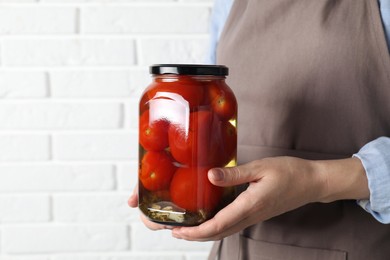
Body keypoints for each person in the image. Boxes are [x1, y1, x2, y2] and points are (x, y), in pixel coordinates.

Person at [129, 0, 390, 259]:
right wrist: (171, 174)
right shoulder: (227, 3)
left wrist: (317, 179)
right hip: (235, 249)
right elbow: (206, 113)